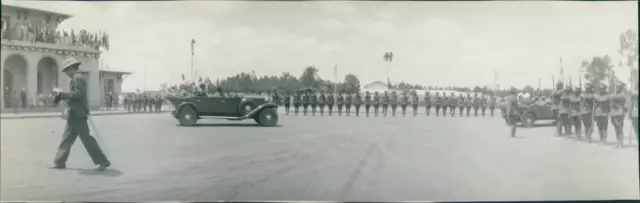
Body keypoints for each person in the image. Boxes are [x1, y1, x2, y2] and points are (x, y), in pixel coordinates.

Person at [49, 57, 111, 170]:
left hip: (77, 114)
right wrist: (62, 96)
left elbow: (78, 95)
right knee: (68, 138)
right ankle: (59, 162)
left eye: (67, 70)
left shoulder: (77, 78)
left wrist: (62, 94)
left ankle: (103, 161)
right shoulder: (77, 78)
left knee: (85, 139)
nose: (66, 73)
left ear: (73, 68)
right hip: (74, 114)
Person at [610, 82, 627, 148]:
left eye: (618, 87)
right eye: (616, 86)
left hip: (620, 113)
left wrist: (624, 112)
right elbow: (611, 103)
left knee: (620, 128)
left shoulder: (623, 94)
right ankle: (618, 142)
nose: (617, 88)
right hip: (614, 113)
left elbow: (626, 105)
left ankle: (621, 143)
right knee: (616, 129)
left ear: (621, 88)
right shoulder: (614, 94)